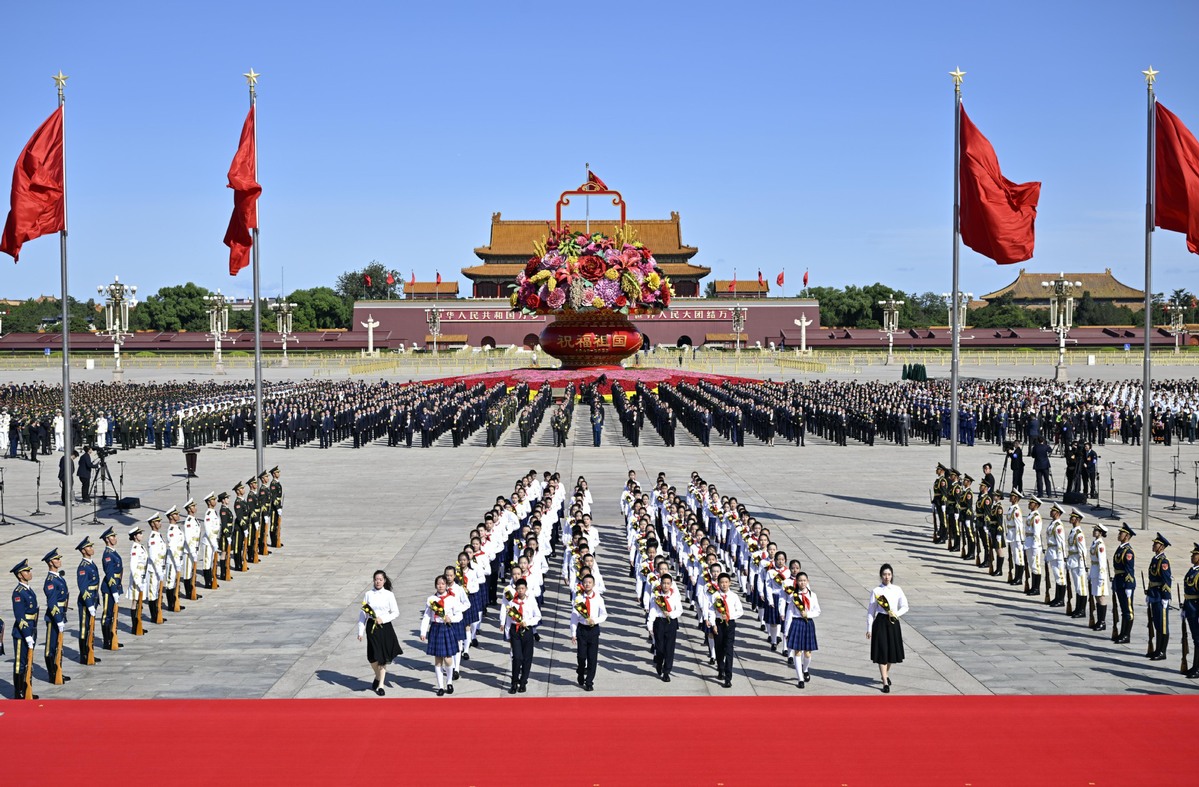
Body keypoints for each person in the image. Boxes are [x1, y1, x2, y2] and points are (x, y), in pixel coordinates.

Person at [357, 569, 402, 696]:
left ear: (384, 581)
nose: (378, 582)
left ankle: (381, 684)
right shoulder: (368, 594)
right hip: (371, 627)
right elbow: (363, 614)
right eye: (376, 579)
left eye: (380, 579)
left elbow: (395, 612)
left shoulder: (389, 595)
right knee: (372, 657)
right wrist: (360, 631)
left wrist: (383, 619)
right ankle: (377, 676)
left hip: (384, 627)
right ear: (373, 580)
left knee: (382, 657)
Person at [867, 563, 908, 693]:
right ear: (881, 576)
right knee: (882, 651)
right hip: (881, 622)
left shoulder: (897, 589)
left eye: (889, 574)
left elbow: (905, 606)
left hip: (893, 622)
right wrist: (869, 628)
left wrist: (896, 614)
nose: (887, 577)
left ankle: (885, 674)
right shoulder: (876, 591)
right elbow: (871, 611)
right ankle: (885, 681)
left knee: (891, 653)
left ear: (892, 575)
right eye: (884, 574)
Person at [419, 575, 461, 696]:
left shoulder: (452, 599)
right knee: (438, 660)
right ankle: (440, 686)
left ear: (446, 585)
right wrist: (423, 631)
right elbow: (427, 616)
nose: (441, 586)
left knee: (448, 659)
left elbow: (459, 615)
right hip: (436, 628)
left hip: (447, 628)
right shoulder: (431, 599)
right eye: (438, 584)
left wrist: (450, 618)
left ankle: (449, 681)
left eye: (443, 583)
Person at [704, 572, 743, 689]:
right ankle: (720, 668)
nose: (724, 585)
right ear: (718, 584)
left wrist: (730, 616)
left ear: (729, 583)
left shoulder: (734, 596)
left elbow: (740, 611)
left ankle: (728, 677)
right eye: (722, 582)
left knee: (729, 649)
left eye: (726, 582)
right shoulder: (715, 596)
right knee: (719, 648)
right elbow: (711, 610)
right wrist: (713, 624)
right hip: (718, 623)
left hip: (730, 624)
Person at [569, 573, 608, 691]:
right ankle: (580, 672)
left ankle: (589, 681)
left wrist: (595, 620)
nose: (587, 584)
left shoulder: (598, 598)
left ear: (593, 584)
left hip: (593, 630)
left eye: (589, 582)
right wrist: (573, 633)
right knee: (581, 656)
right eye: (585, 582)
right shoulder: (578, 599)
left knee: (592, 657)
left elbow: (604, 614)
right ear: (582, 584)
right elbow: (574, 617)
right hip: (582, 629)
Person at [503, 578, 541, 693]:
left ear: (526, 589)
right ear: (515, 589)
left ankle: (523, 681)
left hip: (527, 630)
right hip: (515, 631)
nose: (520, 591)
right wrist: (507, 634)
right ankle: (514, 682)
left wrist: (528, 622)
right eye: (518, 588)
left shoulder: (531, 601)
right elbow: (509, 619)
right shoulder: (511, 602)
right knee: (517, 657)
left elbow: (538, 616)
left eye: (522, 588)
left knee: (527, 658)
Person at [783, 571, 820, 689]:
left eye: (804, 580)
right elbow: (789, 614)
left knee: (808, 653)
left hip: (808, 623)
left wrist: (807, 614)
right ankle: (800, 678)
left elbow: (817, 611)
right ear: (796, 582)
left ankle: (805, 669)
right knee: (797, 652)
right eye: (800, 580)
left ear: (807, 581)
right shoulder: (793, 596)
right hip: (797, 623)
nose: (802, 582)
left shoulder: (812, 595)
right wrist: (786, 631)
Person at [12, 559, 40, 699]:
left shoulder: (28, 590)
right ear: (19, 575)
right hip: (22, 633)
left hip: (31, 629)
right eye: (26, 571)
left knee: (28, 661)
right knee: (20, 663)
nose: (30, 573)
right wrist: (27, 635)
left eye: (29, 570)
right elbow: (19, 616)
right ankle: (19, 692)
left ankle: (27, 687)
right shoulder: (18, 592)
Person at [42, 548, 70, 684]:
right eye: (57, 559)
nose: (59, 561)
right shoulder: (50, 581)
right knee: (51, 647)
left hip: (61, 615)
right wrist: (58, 620)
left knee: (59, 646)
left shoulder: (58, 577)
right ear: (50, 562)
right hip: (54, 618)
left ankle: (59, 670)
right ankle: (52, 674)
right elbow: (52, 604)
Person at [648, 572, 683, 682]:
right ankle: (659, 663)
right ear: (661, 584)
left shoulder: (675, 596)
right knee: (660, 647)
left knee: (669, 648)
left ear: (671, 584)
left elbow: (679, 610)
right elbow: (652, 611)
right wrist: (650, 625)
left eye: (668, 583)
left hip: (671, 622)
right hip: (659, 622)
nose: (666, 585)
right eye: (664, 583)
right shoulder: (656, 596)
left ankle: (667, 671)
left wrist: (671, 614)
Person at [75, 536, 102, 666]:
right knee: (84, 628)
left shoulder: (91, 563)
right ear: (83, 550)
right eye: (89, 547)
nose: (92, 549)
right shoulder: (83, 567)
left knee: (90, 627)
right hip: (87, 601)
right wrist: (90, 604)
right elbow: (83, 588)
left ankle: (90, 651)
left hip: (94, 597)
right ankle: (84, 655)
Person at [1146, 533, 1172, 661]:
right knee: (1156, 623)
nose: (1153, 545)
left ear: (1161, 546)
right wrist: (1149, 592)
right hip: (1154, 595)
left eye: (1155, 544)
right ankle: (1157, 649)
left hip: (1161, 596)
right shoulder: (1155, 559)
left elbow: (1167, 580)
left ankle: (1162, 651)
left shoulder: (1163, 562)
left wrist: (1166, 597)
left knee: (1162, 624)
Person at [1110, 524, 1137, 644]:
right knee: (1123, 609)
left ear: (1127, 536)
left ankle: (1126, 635)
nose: (1119, 534)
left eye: (1121, 533)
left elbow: (1129, 569)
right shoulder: (1121, 548)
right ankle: (1122, 633)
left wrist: (1129, 586)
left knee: (1128, 610)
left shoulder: (1128, 551)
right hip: (1119, 581)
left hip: (1126, 583)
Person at [99, 526, 124, 650]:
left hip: (115, 586)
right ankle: (107, 641)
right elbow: (109, 575)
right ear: (107, 539)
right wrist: (114, 590)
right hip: (109, 589)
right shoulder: (108, 555)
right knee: (107, 615)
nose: (115, 538)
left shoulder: (113, 552)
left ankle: (113, 637)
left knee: (113, 614)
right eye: (113, 536)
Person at [1089, 524, 1110, 631]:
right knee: (1097, 596)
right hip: (1094, 572)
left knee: (1101, 597)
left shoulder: (1100, 545)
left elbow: (1102, 562)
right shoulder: (1095, 543)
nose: (1094, 531)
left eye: (1096, 530)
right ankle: (1099, 620)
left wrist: (1102, 576)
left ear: (1100, 532)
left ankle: (1102, 621)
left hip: (1099, 573)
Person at [1182, 543, 1199, 679]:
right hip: (1190, 607)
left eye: (1195, 554)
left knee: (1198, 640)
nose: (1192, 556)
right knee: (1195, 639)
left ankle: (1197, 668)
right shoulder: (1193, 570)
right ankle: (1195, 666)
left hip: (1196, 608)